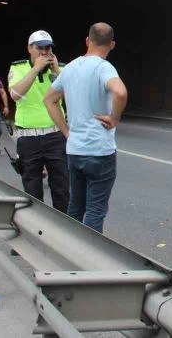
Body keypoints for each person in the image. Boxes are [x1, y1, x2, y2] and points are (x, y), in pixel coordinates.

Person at [44, 23, 127, 233]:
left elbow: (49, 100)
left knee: (75, 207)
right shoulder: (103, 67)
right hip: (100, 150)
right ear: (112, 45)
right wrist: (114, 117)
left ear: (87, 41)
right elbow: (120, 92)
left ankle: (71, 250)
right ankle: (90, 260)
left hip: (75, 150)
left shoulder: (70, 67)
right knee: (95, 211)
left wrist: (65, 131)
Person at [8, 30, 69, 213]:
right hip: (29, 138)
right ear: (29, 49)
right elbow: (16, 95)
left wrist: (56, 71)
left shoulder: (61, 70)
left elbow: (72, 97)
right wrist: (35, 69)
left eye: (48, 48)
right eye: (39, 48)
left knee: (62, 188)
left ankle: (64, 229)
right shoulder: (18, 68)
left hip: (55, 136)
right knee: (32, 190)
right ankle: (38, 228)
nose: (44, 52)